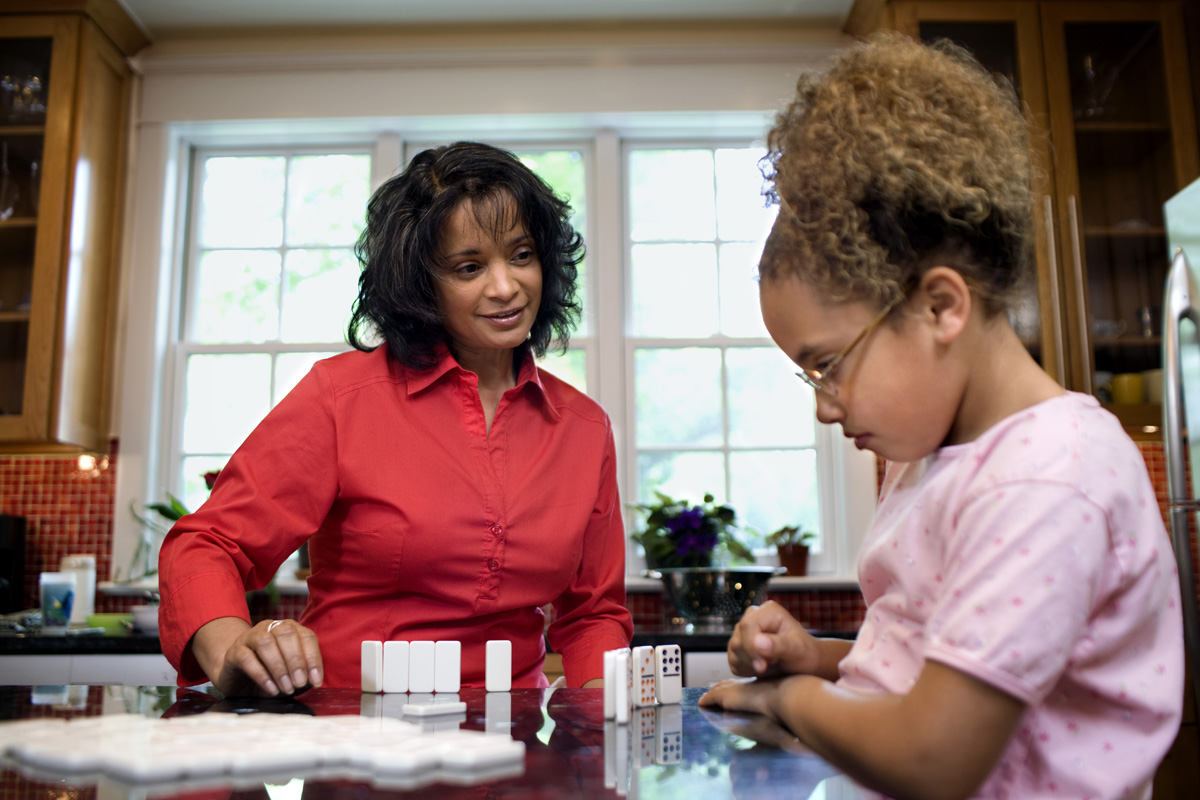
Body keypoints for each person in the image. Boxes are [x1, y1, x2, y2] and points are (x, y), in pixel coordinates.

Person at [699, 34, 1184, 800]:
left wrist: (788, 701)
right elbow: (928, 660)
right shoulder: (937, 456)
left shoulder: (1050, 475)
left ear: (940, 306)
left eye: (829, 365)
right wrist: (818, 658)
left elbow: (935, 755)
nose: (824, 408)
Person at [159, 141, 633, 697]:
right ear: (421, 282)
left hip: (513, 746)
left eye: (522, 255)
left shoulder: (584, 428)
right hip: (352, 740)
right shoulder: (341, 398)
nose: (506, 287)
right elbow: (207, 543)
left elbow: (593, 612)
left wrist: (602, 734)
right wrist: (231, 647)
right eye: (469, 267)